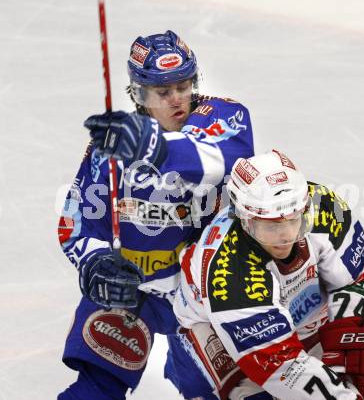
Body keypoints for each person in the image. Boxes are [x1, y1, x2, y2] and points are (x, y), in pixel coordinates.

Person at [57, 30, 254, 399]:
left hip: (206, 293)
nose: (178, 98)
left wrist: (151, 145)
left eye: (184, 85)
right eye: (164, 91)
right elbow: (75, 225)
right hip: (135, 292)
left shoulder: (225, 117)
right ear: (140, 94)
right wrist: (98, 263)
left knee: (234, 391)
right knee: (96, 389)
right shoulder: (109, 153)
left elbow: (219, 161)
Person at [174, 150, 364, 399]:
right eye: (271, 226)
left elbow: (356, 277)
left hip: (297, 317)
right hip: (214, 326)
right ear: (245, 219)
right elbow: (278, 364)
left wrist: (346, 353)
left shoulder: (324, 207)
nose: (285, 236)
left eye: (294, 220)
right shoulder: (229, 271)